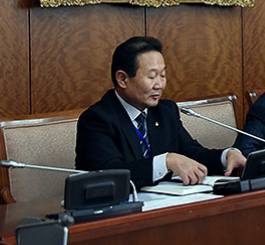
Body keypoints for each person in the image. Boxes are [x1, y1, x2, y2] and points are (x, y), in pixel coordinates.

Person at [75, 36, 245, 187]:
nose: (159, 85)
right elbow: (108, 174)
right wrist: (165, 162)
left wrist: (226, 156)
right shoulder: (97, 119)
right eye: (151, 77)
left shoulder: (165, 111)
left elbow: (192, 154)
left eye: (162, 75)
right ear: (123, 79)